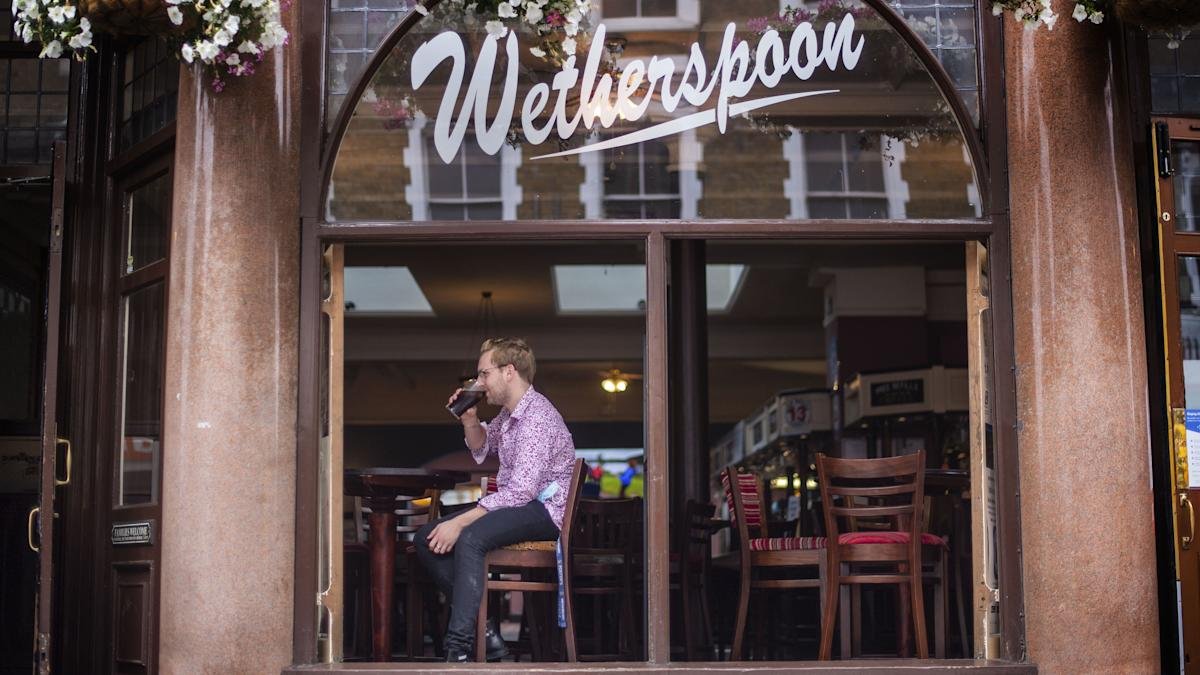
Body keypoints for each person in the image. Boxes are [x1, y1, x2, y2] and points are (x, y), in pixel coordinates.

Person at [414, 337, 576, 663]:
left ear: (509, 371)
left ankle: (459, 647)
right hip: (521, 506)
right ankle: (485, 632)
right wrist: (469, 419)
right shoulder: (509, 415)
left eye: (484, 374)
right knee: (425, 538)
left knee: (471, 536)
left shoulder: (537, 417)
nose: (479, 382)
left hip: (544, 510)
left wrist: (461, 522)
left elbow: (521, 491)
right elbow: (482, 447)